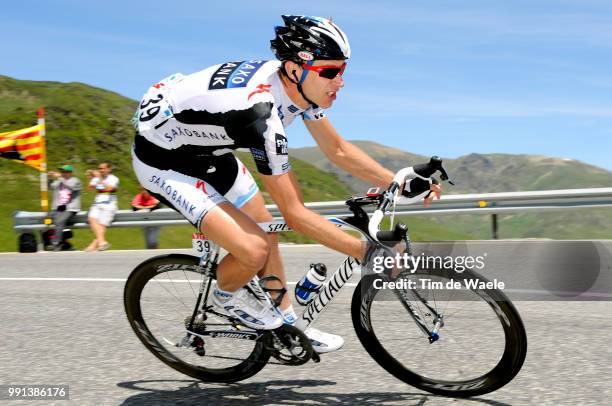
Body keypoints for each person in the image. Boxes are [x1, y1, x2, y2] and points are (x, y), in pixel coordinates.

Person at [132, 15, 441, 353]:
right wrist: (367, 252)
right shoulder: (261, 116)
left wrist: (397, 182)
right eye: (330, 72)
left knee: (268, 229)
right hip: (164, 163)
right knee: (254, 249)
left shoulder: (301, 89)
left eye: (342, 71)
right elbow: (295, 213)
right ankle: (226, 297)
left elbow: (337, 150)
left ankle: (290, 329)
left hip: (209, 152)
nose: (340, 82)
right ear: (296, 68)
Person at [84, 162, 119, 251]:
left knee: (101, 225)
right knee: (92, 219)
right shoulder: (96, 178)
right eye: (100, 168)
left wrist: (99, 178)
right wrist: (90, 178)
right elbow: (89, 189)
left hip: (109, 204)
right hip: (97, 202)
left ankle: (95, 244)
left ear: (109, 169)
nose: (101, 170)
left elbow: (109, 189)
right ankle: (102, 242)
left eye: (103, 168)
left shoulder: (113, 178)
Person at [48, 164, 82, 251]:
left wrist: (60, 177)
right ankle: (65, 244)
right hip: (58, 208)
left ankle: (56, 243)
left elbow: (70, 187)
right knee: (49, 221)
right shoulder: (59, 181)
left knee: (59, 221)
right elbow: (50, 187)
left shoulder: (75, 180)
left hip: (70, 208)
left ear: (70, 173)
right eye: (62, 172)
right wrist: (50, 178)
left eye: (65, 172)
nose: (63, 173)